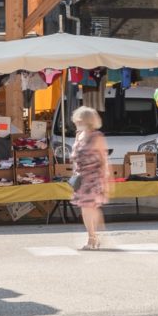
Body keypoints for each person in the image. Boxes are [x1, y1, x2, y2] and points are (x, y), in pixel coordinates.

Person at [70, 106, 109, 250]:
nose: (76, 122)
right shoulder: (79, 135)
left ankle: (92, 238)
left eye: (79, 120)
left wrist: (106, 182)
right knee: (88, 208)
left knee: (88, 208)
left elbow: (104, 160)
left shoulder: (97, 137)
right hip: (82, 178)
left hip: (93, 178)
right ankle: (96, 235)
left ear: (86, 120)